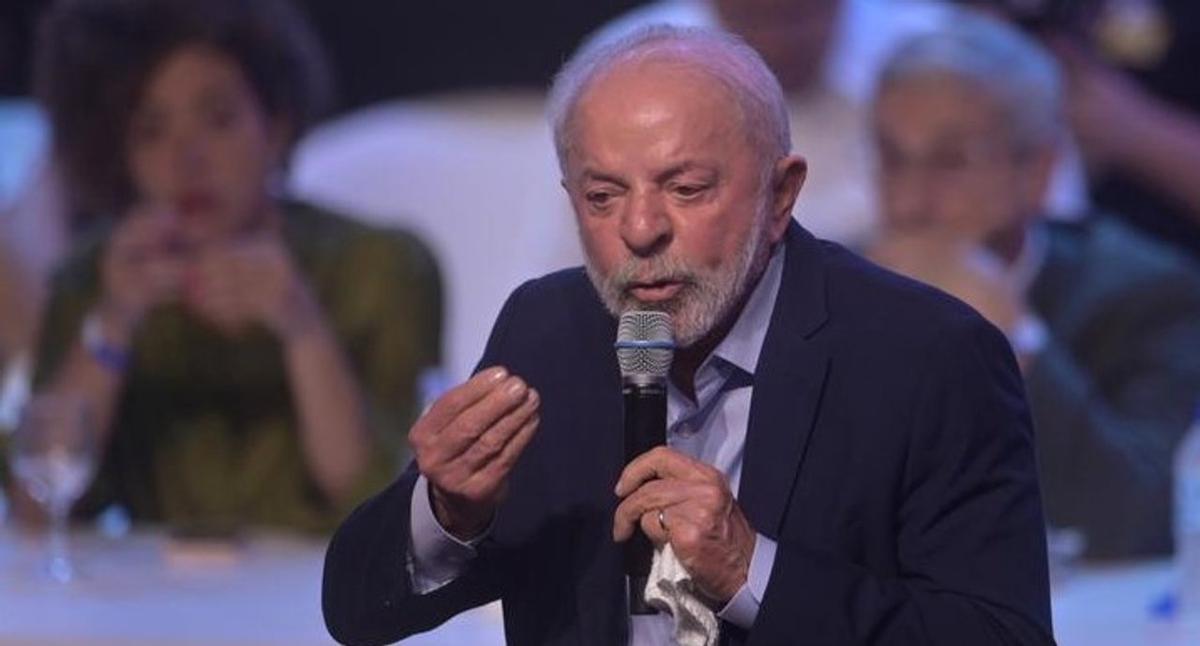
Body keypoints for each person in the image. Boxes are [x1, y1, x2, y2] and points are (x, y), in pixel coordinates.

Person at [323, 25, 1052, 645]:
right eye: (602, 196)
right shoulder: (547, 332)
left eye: (686, 189)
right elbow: (355, 613)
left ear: (780, 195)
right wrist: (450, 512)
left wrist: (750, 571)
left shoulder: (929, 357)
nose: (641, 231)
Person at [24, 0, 442, 533]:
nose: (186, 158)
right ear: (118, 155)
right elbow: (37, 508)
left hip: (321, 583)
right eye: (150, 131)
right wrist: (112, 324)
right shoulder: (92, 278)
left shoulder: (382, 266)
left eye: (218, 119)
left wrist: (301, 326)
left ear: (276, 125)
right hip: (151, 583)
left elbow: (390, 510)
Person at [865, 12, 1200, 558]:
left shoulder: (1149, 296)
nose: (909, 202)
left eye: (950, 161)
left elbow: (1139, 523)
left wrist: (1013, 337)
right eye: (892, 159)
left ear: (1039, 171)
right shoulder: (837, 289)